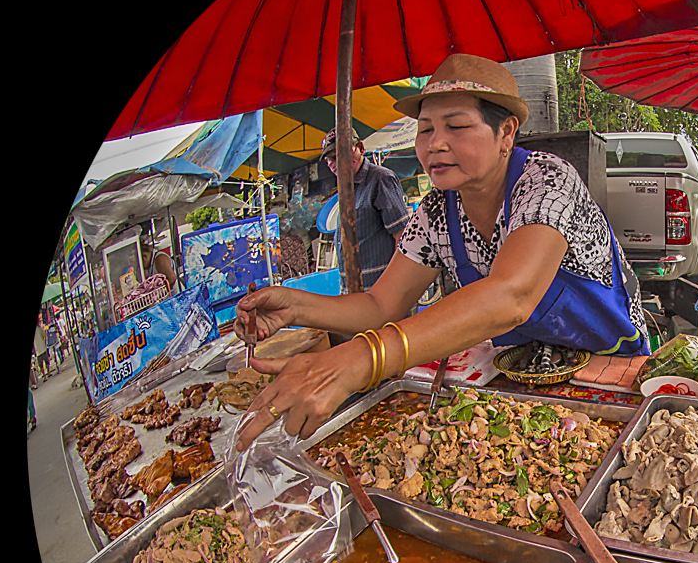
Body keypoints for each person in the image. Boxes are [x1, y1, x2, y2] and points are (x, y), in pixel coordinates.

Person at [233, 53, 648, 450]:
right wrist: (297, 308)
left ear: (506, 133)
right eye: (426, 129)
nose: (435, 144)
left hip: (608, 378)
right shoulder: (436, 211)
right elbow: (381, 304)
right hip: (521, 382)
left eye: (457, 127)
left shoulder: (547, 181)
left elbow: (512, 296)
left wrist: (364, 357)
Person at [323, 127, 411, 292]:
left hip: (381, 289)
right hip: (354, 289)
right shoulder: (346, 186)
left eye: (340, 155)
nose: (333, 163)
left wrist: (397, 285)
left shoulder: (381, 179)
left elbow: (403, 236)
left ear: (361, 149)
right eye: (329, 159)